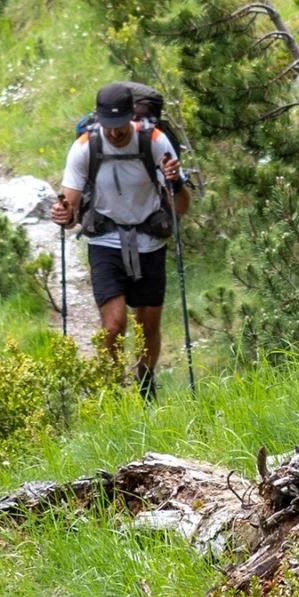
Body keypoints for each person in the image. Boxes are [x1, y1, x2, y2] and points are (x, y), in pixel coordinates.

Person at [54, 80, 190, 398]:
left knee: (147, 325)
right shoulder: (86, 146)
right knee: (114, 325)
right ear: (99, 120)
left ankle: (145, 386)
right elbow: (70, 209)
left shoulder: (155, 142)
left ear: (132, 116)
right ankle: (112, 390)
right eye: (109, 126)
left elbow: (180, 209)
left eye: (120, 126)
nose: (115, 134)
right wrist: (63, 215)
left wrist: (176, 183)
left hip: (149, 240)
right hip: (105, 240)